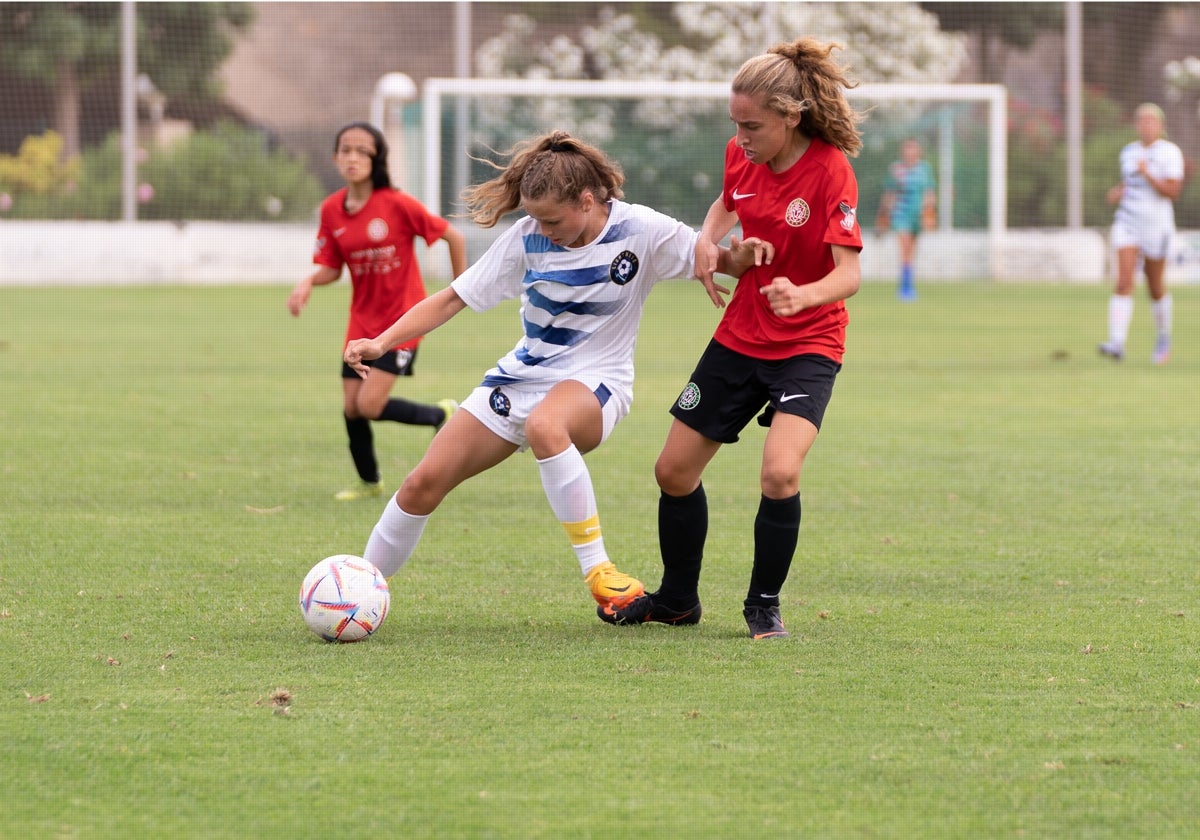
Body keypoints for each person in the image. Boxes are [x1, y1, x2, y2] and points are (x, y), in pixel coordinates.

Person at [343, 130, 769, 613]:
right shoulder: (526, 237)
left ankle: (598, 570)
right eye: (534, 218)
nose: (542, 230)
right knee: (421, 484)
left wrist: (740, 256)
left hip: (597, 382)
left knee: (547, 424)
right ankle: (358, 591)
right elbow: (451, 298)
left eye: (551, 219)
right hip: (521, 379)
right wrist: (381, 342)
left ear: (588, 201)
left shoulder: (641, 229)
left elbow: (711, 259)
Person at [600, 37, 863, 640]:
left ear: (791, 116)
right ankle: (677, 601)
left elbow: (848, 273)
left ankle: (763, 606)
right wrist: (706, 243)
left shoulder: (829, 170)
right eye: (735, 125)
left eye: (753, 126)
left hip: (809, 344)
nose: (742, 138)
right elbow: (725, 204)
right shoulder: (739, 155)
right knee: (673, 471)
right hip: (740, 337)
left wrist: (803, 294)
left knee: (779, 475)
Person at [289, 122, 468, 501]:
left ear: (376, 158)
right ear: (336, 157)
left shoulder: (397, 204)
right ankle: (370, 483)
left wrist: (462, 286)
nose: (353, 157)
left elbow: (453, 235)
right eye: (346, 149)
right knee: (352, 407)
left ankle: (440, 415)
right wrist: (308, 282)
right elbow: (333, 268)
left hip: (403, 321)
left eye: (363, 151)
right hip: (361, 322)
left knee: (370, 405)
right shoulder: (331, 210)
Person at [1099, 103, 1184, 365]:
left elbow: (1172, 192)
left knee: (1155, 286)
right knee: (1124, 281)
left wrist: (1148, 174)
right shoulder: (1128, 152)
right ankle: (1116, 343)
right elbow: (1130, 182)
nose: (1146, 126)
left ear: (1160, 125)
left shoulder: (1170, 153)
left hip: (1157, 227)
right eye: (1141, 121)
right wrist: (1117, 192)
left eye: (1151, 121)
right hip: (1127, 223)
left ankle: (1163, 337)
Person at [877, 138, 935, 301]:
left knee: (911, 251)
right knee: (905, 248)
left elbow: (929, 192)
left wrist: (929, 214)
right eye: (907, 149)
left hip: (917, 215)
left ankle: (908, 285)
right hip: (900, 214)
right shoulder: (896, 169)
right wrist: (883, 217)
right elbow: (889, 193)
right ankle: (905, 289)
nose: (910, 152)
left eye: (913, 149)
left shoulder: (925, 169)